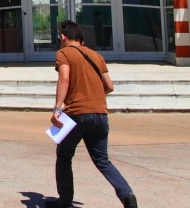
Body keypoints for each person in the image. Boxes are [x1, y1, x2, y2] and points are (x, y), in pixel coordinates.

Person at [47, 20, 137, 208]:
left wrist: (57, 109)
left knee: (64, 156)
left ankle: (64, 202)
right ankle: (126, 194)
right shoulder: (97, 56)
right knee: (103, 161)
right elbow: (109, 86)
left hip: (76, 114)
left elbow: (64, 77)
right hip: (100, 115)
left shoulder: (64, 53)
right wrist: (93, 97)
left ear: (63, 37)